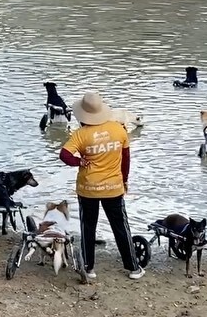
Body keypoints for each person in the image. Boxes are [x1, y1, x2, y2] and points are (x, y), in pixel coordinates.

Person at [59, 91, 144, 281]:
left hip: (88, 189)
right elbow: (126, 159)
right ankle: (133, 268)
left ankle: (88, 268)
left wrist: (79, 162)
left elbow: (64, 155)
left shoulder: (81, 135)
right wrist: (124, 180)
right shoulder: (118, 129)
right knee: (121, 226)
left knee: (88, 227)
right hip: (113, 187)